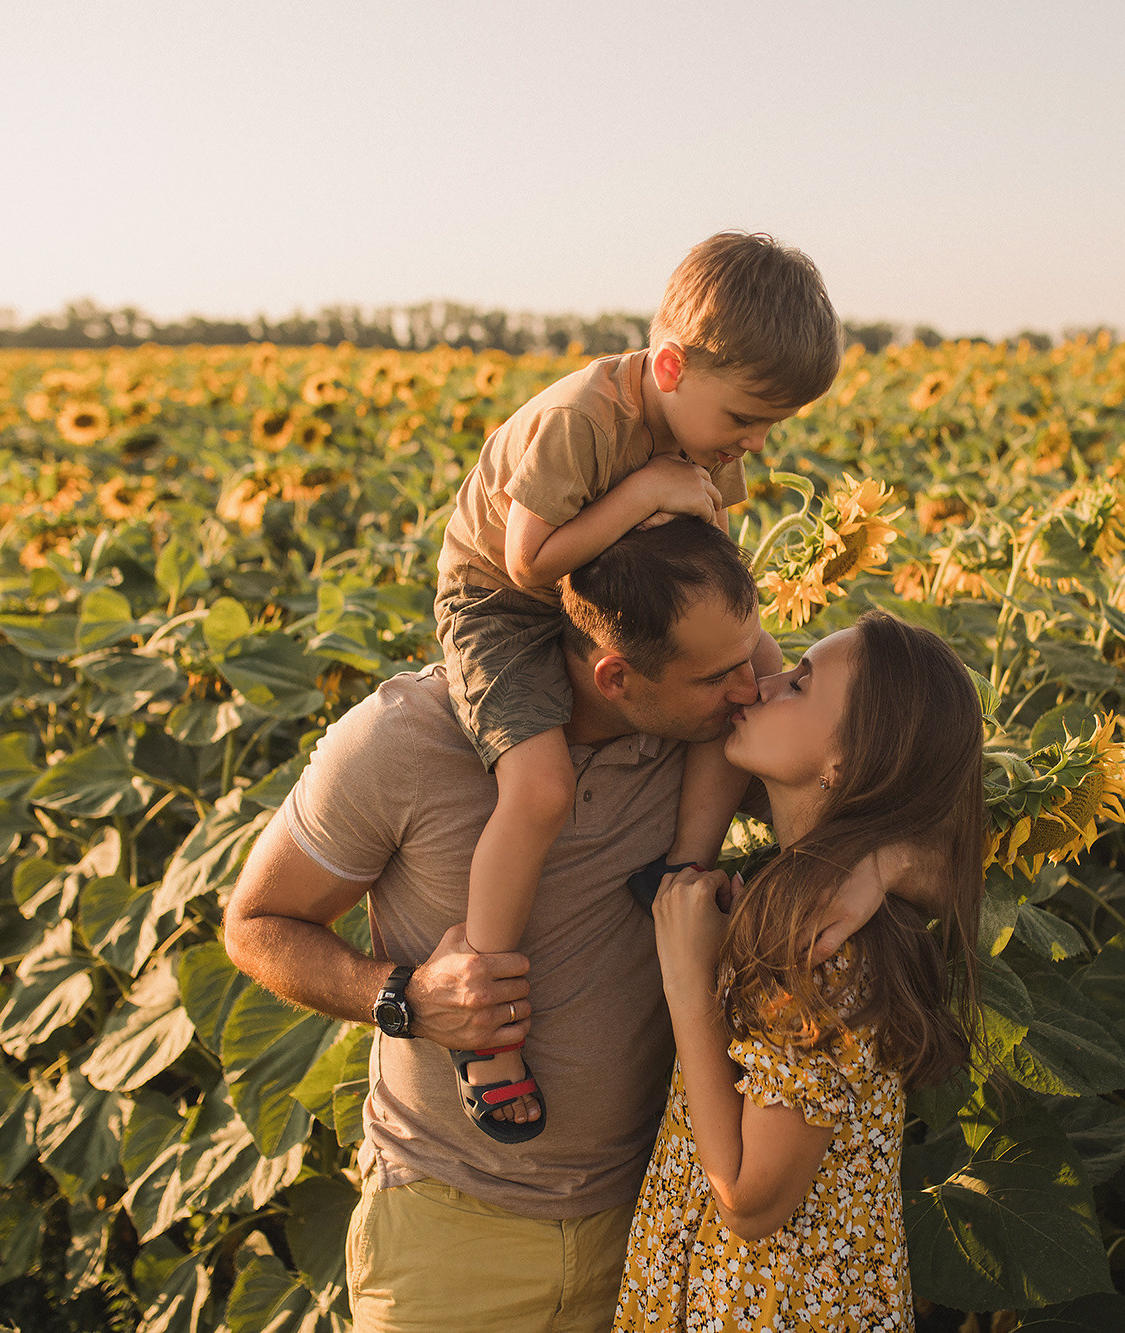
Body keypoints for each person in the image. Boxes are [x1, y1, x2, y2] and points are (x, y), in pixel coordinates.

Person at [223, 520, 936, 1333]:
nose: (752, 686)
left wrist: (885, 864)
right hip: (452, 1235)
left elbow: (903, 783)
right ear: (617, 675)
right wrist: (405, 998)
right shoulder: (401, 740)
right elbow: (254, 923)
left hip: (654, 1237)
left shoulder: (712, 736)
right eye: (719, 678)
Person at [433, 231, 843, 1137]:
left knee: (741, 691)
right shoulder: (583, 417)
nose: (754, 443)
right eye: (745, 419)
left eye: (770, 427)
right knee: (538, 788)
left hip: (619, 590)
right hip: (501, 601)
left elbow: (704, 568)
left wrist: (750, 662)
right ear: (669, 367)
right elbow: (529, 560)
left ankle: (686, 864)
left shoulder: (706, 430)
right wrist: (647, 488)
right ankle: (486, 1021)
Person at [617, 611, 985, 1333]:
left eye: (799, 683)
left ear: (843, 762)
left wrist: (689, 988)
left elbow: (750, 1200)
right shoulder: (805, 900)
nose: (761, 682)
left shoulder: (825, 948)